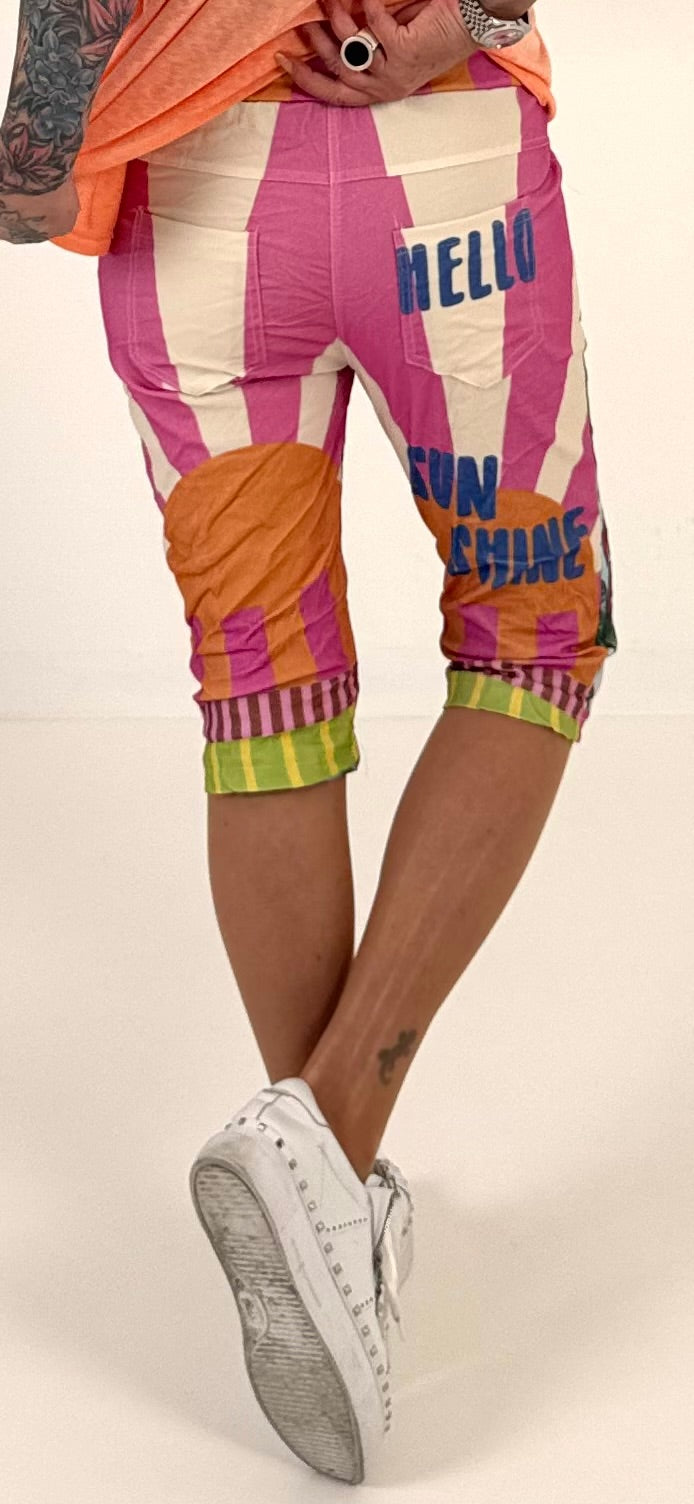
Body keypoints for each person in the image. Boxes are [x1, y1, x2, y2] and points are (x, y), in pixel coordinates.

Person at [0, 0, 618, 1486]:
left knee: (260, 687)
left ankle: (318, 1205)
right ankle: (328, 1146)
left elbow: (57, 84)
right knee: (533, 638)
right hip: (446, 159)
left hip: (194, 191)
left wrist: (33, 149)